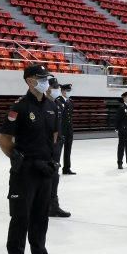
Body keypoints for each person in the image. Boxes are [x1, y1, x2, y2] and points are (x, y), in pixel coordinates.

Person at [0, 65, 65, 254]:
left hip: (45, 170)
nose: (45, 82)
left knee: (40, 218)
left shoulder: (52, 106)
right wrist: (19, 161)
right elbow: (5, 140)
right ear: (29, 81)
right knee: (20, 219)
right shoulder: (19, 107)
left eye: (46, 78)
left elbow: (54, 136)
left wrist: (51, 161)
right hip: (24, 172)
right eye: (40, 78)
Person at [46, 77, 71, 218]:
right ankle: (46, 204)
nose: (56, 90)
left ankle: (53, 205)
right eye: (54, 87)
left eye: (57, 87)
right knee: (47, 175)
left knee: (55, 175)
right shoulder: (43, 104)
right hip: (47, 145)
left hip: (57, 143)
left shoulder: (57, 104)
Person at [58, 83, 75, 175]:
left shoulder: (70, 101)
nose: (69, 92)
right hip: (61, 129)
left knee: (68, 150)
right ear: (62, 91)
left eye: (70, 91)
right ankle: (55, 168)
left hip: (69, 130)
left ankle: (67, 168)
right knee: (58, 150)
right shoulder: (58, 101)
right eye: (67, 91)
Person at [115, 91, 127, 169]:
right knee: (121, 147)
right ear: (124, 98)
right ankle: (120, 163)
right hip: (123, 130)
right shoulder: (121, 107)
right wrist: (116, 128)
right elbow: (117, 119)